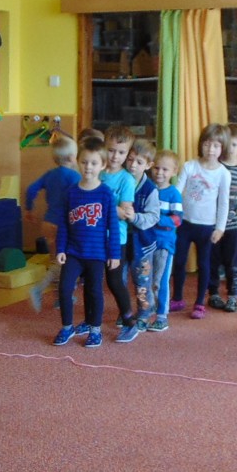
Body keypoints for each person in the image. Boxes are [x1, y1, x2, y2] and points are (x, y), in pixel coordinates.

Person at [53, 142, 119, 348]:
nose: (88, 167)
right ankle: (67, 327)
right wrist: (60, 249)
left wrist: (114, 254)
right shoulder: (70, 192)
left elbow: (113, 226)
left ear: (103, 165)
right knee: (64, 288)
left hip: (97, 254)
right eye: (84, 162)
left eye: (93, 163)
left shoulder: (106, 193)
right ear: (77, 162)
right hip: (73, 252)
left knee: (94, 291)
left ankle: (95, 330)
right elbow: (63, 224)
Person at [170, 123, 232, 319]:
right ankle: (177, 297)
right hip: (185, 224)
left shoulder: (223, 173)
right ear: (201, 145)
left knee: (204, 265)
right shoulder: (190, 166)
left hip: (207, 227)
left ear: (222, 148)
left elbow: (224, 202)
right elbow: (177, 191)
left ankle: (199, 303)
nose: (210, 149)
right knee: (179, 261)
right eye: (207, 144)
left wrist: (220, 228)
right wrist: (171, 213)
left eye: (216, 146)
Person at [126, 149, 183, 336]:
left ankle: (161, 315)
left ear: (174, 171)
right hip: (145, 242)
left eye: (165, 169)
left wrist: (157, 218)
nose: (160, 173)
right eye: (157, 168)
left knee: (159, 281)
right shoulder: (146, 188)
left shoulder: (173, 193)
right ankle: (146, 309)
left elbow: (178, 219)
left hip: (164, 245)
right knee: (144, 280)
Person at [25, 136, 79, 312]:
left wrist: (29, 209)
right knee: (64, 262)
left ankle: (60, 297)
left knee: (55, 260)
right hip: (64, 225)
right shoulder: (74, 176)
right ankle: (38, 289)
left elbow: (31, 189)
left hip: (48, 222)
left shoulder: (50, 175)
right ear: (72, 157)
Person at [97, 132, 138, 331]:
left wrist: (99, 204)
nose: (115, 156)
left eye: (121, 152)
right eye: (111, 150)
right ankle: (92, 320)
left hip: (116, 238)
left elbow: (124, 213)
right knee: (93, 280)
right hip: (93, 237)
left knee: (114, 280)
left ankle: (128, 316)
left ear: (127, 153)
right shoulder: (97, 172)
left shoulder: (126, 179)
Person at [210, 124, 237, 311]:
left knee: (232, 260)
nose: (229, 149)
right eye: (227, 144)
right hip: (213, 223)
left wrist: (230, 215)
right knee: (213, 258)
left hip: (234, 224)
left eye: (234, 145)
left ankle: (233, 295)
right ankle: (213, 293)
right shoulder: (217, 166)